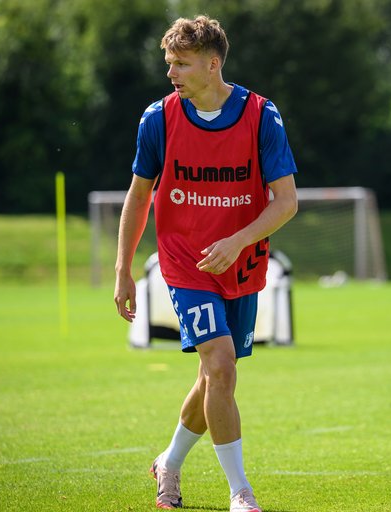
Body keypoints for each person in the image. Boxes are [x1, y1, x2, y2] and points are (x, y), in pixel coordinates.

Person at [113, 15, 298, 512]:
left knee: (214, 376)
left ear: (213, 64)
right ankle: (241, 492)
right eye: (169, 62)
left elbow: (286, 202)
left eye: (181, 63)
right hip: (185, 264)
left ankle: (168, 462)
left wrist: (237, 242)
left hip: (241, 262)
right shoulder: (158, 118)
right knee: (220, 365)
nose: (170, 72)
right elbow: (139, 197)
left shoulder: (261, 115)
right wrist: (123, 270)